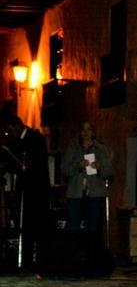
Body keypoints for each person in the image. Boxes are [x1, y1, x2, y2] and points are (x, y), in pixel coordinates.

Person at [60, 121, 114, 276]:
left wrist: (99, 168)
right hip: (76, 194)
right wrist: (78, 165)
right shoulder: (73, 148)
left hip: (95, 194)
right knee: (74, 230)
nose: (85, 132)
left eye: (88, 129)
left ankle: (93, 265)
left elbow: (109, 171)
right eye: (83, 130)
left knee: (93, 231)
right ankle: (74, 265)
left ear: (93, 132)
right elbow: (64, 168)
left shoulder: (101, 149)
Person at [0, 109, 50, 275]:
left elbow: (36, 164)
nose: (9, 133)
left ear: (17, 126)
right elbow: (13, 165)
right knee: (25, 226)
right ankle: (26, 263)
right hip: (24, 190)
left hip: (37, 190)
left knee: (38, 227)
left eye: (11, 130)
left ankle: (41, 263)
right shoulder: (15, 142)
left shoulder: (35, 139)